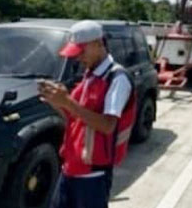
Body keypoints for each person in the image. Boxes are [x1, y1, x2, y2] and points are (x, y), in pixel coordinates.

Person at [39, 21, 135, 208]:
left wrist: (68, 102)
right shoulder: (90, 75)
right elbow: (75, 119)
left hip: (93, 176)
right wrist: (57, 103)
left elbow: (108, 125)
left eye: (82, 51)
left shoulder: (117, 79)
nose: (78, 58)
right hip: (70, 168)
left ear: (99, 44)